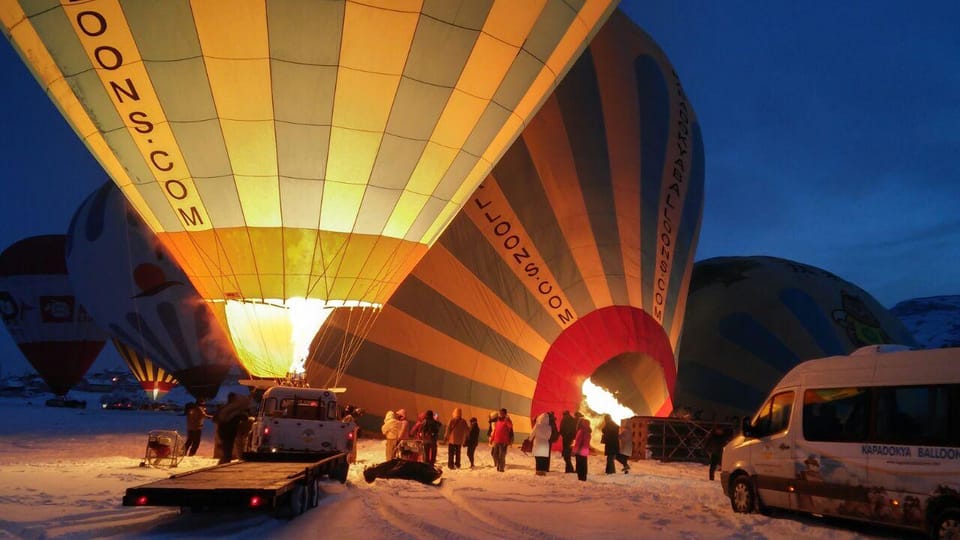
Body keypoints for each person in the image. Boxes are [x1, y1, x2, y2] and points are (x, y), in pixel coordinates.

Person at [214, 392, 250, 464]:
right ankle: (223, 464)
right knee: (227, 450)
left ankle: (223, 462)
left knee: (226, 449)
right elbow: (244, 418)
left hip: (224, 431)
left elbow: (216, 418)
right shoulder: (234, 409)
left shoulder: (227, 407)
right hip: (229, 432)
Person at [489, 408, 513, 472]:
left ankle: (501, 468)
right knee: (494, 454)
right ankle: (498, 465)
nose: (500, 414)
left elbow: (510, 426)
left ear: (505, 414)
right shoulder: (498, 422)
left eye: (502, 413)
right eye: (500, 413)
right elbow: (495, 431)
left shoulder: (507, 421)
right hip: (496, 441)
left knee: (501, 455)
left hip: (503, 442)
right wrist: (492, 439)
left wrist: (507, 420)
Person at [573, 417, 592, 481]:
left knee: (579, 464)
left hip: (580, 450)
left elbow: (578, 442)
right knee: (584, 464)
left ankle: (581, 478)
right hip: (585, 450)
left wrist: (574, 451)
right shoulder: (588, 431)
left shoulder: (581, 431)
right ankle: (584, 477)